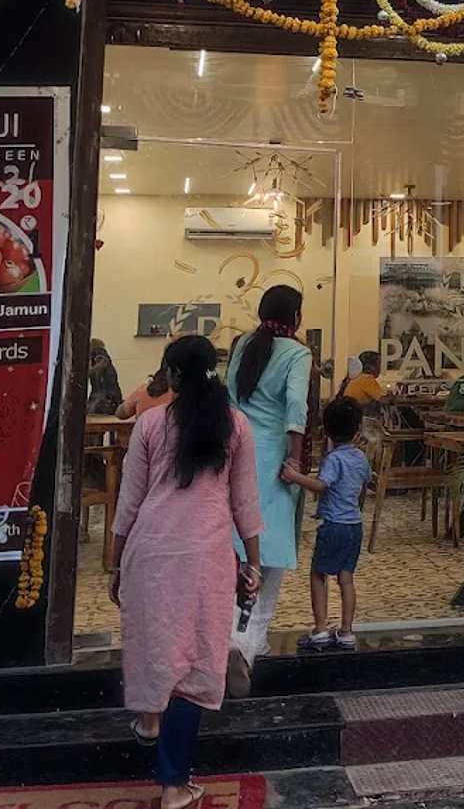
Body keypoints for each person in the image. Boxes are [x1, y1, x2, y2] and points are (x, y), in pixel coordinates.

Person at [110, 335, 263, 809]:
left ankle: (150, 720)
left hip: (151, 553)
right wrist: (253, 563)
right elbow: (245, 502)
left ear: (172, 376)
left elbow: (129, 501)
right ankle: (174, 785)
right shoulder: (235, 425)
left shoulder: (150, 424)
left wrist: (115, 562)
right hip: (206, 559)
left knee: (157, 645)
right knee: (195, 662)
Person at [223, 285, 314, 692]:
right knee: (269, 558)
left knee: (235, 552)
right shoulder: (298, 353)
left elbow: (228, 399)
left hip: (235, 454)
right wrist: (294, 458)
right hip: (273, 460)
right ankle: (246, 647)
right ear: (295, 317)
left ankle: (223, 640)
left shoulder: (242, 343)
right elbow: (297, 405)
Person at [284, 396, 372, 652]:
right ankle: (346, 631)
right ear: (357, 430)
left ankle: (321, 628)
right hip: (355, 526)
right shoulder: (361, 458)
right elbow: (365, 482)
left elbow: (322, 485)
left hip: (333, 525)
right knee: (347, 579)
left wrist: (295, 476)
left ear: (327, 430)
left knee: (318, 574)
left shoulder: (333, 460)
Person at [87, 338, 123, 417]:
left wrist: (87, 373)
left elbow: (104, 362)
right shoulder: (95, 357)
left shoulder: (98, 351)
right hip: (108, 395)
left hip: (106, 396)